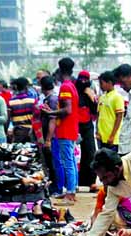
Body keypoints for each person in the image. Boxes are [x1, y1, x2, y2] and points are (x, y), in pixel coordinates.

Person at [42, 57, 80, 203]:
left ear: (59, 71)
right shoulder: (72, 86)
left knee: (67, 161)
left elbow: (67, 109)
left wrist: (50, 112)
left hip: (65, 129)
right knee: (69, 160)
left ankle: (70, 193)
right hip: (71, 128)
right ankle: (72, 189)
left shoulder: (65, 87)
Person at [76, 70, 98, 188]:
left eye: (86, 79)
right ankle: (78, 181)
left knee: (89, 153)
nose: (83, 82)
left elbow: (95, 110)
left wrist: (91, 97)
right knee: (74, 155)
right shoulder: (75, 91)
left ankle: (90, 181)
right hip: (75, 125)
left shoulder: (89, 92)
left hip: (87, 125)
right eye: (82, 79)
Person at [36, 75, 59, 191]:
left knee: (53, 162)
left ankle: (56, 186)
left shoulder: (52, 100)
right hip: (49, 136)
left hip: (52, 137)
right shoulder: (48, 99)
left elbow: (52, 120)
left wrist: (48, 139)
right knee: (50, 162)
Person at [96, 71, 125, 152]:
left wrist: (112, 136)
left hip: (111, 138)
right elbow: (99, 115)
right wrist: (97, 131)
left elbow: (119, 117)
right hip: (101, 137)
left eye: (101, 83)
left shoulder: (117, 97)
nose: (100, 86)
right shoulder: (102, 97)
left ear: (109, 83)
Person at [8, 77, 36, 143]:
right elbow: (36, 118)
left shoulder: (11, 102)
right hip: (31, 131)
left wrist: (6, 130)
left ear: (16, 87)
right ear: (26, 87)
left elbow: (8, 119)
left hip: (18, 132)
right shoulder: (33, 101)